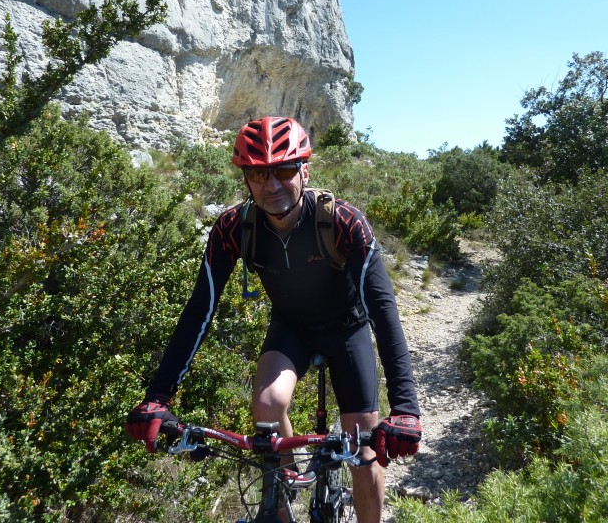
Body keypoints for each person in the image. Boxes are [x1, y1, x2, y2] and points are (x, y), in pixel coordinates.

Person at [126, 116, 421, 523]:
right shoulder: (234, 228)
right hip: (292, 329)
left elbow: (383, 310)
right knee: (267, 406)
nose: (273, 185)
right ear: (246, 179)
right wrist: (158, 396)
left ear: (305, 170)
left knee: (363, 451)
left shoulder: (343, 222)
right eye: (259, 173)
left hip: (347, 330)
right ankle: (282, 505)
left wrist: (405, 408)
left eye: (284, 170)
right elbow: (200, 309)